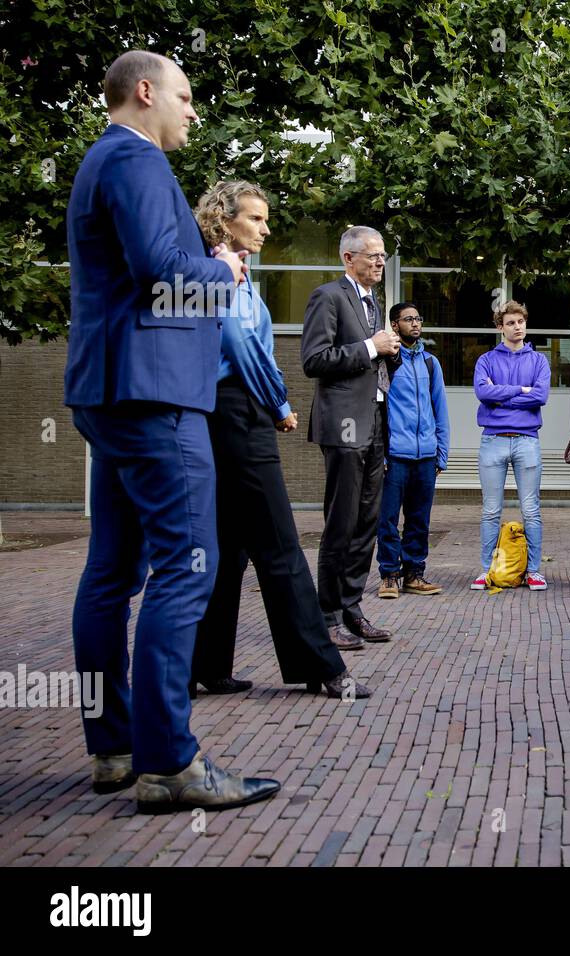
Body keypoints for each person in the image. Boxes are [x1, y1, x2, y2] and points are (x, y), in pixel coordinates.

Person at [64, 51, 278, 812]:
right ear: (145, 92)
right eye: (186, 97)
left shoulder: (99, 163)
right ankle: (169, 762)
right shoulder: (138, 158)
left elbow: (135, 278)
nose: (193, 112)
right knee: (190, 564)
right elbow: (162, 271)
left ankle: (115, 748)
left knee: (112, 572)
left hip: (111, 393)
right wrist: (221, 270)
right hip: (153, 397)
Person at [190, 181, 369, 702]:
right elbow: (241, 343)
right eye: (257, 219)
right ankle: (322, 667)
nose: (267, 228)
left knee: (228, 547)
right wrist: (279, 403)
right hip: (238, 411)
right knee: (281, 545)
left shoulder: (231, 271)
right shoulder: (225, 272)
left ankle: (205, 666)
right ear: (224, 222)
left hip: (221, 413)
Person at [301, 226, 401, 649]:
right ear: (349, 258)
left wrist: (388, 353)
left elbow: (372, 360)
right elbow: (314, 360)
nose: (380, 262)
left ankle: (352, 609)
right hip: (344, 425)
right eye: (373, 256)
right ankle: (326, 617)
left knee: (367, 522)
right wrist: (370, 347)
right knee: (341, 522)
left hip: (375, 420)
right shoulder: (329, 297)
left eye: (382, 257)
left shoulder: (372, 303)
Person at [471, 299, 551, 590]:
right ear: (500, 328)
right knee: (491, 510)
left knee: (531, 510)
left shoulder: (539, 361)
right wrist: (520, 390)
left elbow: (540, 396)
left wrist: (500, 396)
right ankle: (487, 569)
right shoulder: (487, 360)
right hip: (493, 441)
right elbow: (483, 392)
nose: (517, 328)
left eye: (521, 322)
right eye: (511, 324)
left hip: (527, 441)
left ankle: (534, 571)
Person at [377, 302, 449, 600]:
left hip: (426, 457)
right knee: (389, 519)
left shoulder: (431, 363)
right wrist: (380, 452)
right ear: (395, 325)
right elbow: (378, 410)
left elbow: (440, 410)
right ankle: (389, 576)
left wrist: (441, 452)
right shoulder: (386, 363)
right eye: (409, 319)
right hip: (395, 455)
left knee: (420, 520)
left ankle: (414, 575)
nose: (416, 324)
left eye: (418, 318)